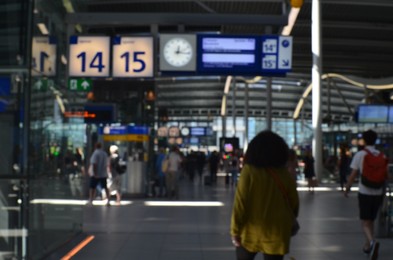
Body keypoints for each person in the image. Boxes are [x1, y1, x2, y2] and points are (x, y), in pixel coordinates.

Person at [230, 130, 299, 260]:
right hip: (277, 232)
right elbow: (294, 202)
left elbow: (240, 203)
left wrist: (235, 230)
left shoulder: (249, 171)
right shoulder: (284, 174)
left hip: (250, 231)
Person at [344, 130, 388, 259]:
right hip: (378, 192)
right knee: (371, 221)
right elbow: (386, 175)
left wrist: (347, 188)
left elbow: (353, 175)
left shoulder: (360, 154)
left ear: (364, 140)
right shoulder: (381, 155)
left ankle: (373, 242)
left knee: (364, 222)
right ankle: (368, 246)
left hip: (365, 192)